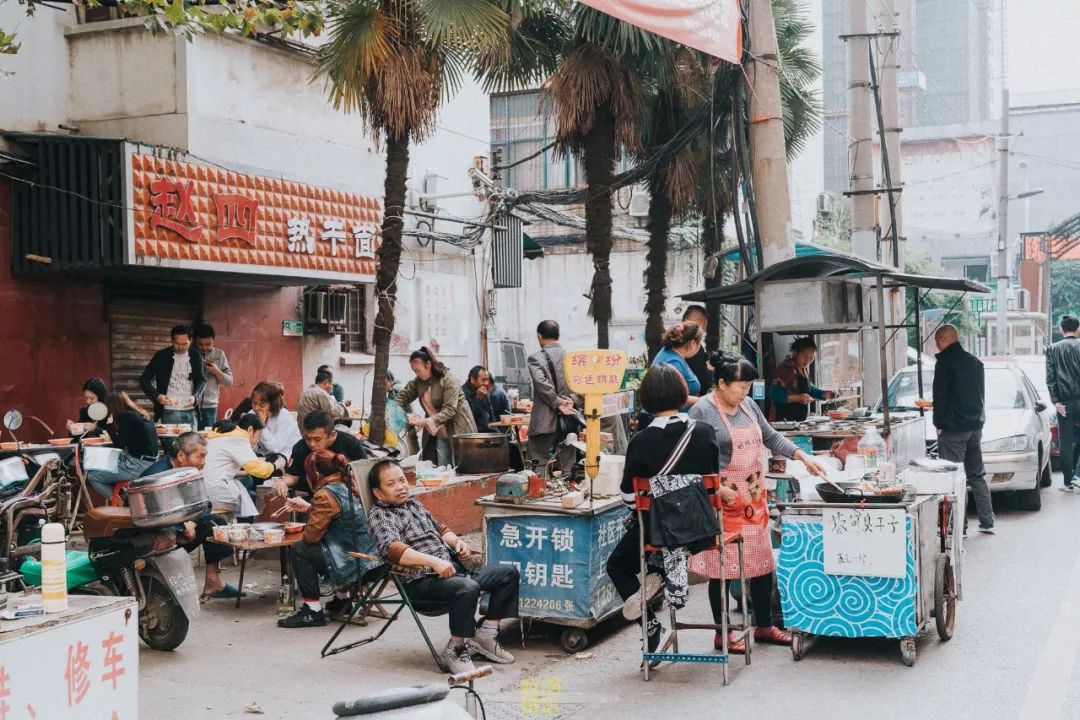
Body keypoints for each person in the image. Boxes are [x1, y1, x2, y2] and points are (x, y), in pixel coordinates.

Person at [689, 353, 829, 652]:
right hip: (722, 499)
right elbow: (690, 457)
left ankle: (765, 626)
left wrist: (801, 457)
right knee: (722, 568)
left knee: (762, 562)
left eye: (750, 385)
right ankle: (721, 633)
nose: (746, 392)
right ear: (722, 383)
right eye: (741, 385)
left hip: (753, 496)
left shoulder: (749, 406)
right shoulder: (702, 411)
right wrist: (712, 486)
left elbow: (770, 436)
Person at [606, 364, 720, 659]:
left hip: (658, 534)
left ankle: (651, 623)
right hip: (700, 533)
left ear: (645, 400)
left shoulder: (640, 441)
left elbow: (628, 498)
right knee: (660, 539)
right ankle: (656, 571)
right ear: (683, 394)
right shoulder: (705, 432)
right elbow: (712, 484)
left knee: (618, 564)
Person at [367, 459, 518, 673]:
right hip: (421, 583)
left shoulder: (414, 503)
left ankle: (485, 635)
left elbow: (439, 528)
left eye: (401, 480)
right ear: (379, 492)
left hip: (453, 571)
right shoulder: (380, 514)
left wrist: (457, 542)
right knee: (468, 588)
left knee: (507, 573)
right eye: (391, 484)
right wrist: (434, 562)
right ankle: (455, 650)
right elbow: (392, 549)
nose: (400, 487)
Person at [277, 451, 382, 628]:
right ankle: (342, 599)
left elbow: (311, 537)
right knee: (330, 543)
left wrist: (311, 515)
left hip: (358, 565)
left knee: (300, 549)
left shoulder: (325, 494)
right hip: (376, 561)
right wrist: (311, 508)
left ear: (316, 474)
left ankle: (312, 611)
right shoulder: (350, 486)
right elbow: (341, 519)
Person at [137, 432, 237, 599]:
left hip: (180, 531)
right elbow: (149, 516)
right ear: (181, 455)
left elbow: (205, 504)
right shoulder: (156, 476)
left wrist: (192, 522)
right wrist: (180, 528)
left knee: (216, 522)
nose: (203, 462)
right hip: (152, 536)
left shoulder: (189, 472)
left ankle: (213, 583)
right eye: (200, 456)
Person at [933, 324, 994, 532]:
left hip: (953, 430)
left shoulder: (944, 363)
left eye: (937, 342)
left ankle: (959, 525)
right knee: (977, 475)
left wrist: (939, 424)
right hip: (975, 427)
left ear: (942, 340)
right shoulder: (975, 363)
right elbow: (981, 395)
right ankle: (987, 520)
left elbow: (939, 397)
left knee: (953, 478)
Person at [396, 347, 476, 466]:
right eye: (414, 371)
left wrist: (427, 421)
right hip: (437, 431)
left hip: (458, 428)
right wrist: (397, 412)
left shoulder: (448, 379)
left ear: (428, 364)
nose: (416, 374)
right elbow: (402, 397)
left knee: (460, 466)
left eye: (418, 370)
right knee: (442, 467)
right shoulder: (419, 381)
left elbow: (450, 409)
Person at [203, 414, 284, 518]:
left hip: (207, 487)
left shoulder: (224, 435)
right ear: (250, 430)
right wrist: (277, 464)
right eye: (258, 435)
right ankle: (246, 528)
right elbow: (261, 471)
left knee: (247, 482)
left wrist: (247, 471)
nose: (258, 440)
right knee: (251, 495)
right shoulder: (239, 439)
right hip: (217, 492)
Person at [277, 411, 370, 498]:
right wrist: (282, 482)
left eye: (317, 439)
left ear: (332, 435)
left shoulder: (350, 443)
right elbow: (293, 476)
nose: (311, 444)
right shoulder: (300, 447)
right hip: (313, 497)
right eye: (308, 438)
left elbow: (363, 473)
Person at [86, 392, 160, 502]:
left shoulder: (126, 416)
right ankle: (122, 495)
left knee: (92, 476)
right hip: (150, 462)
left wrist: (109, 425)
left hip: (138, 465)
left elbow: (119, 444)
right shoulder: (138, 413)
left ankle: (116, 500)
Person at [526, 321, 576, 463]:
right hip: (570, 420)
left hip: (545, 422)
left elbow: (542, 384)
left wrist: (558, 402)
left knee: (539, 463)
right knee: (568, 465)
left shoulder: (535, 359)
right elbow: (581, 386)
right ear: (558, 335)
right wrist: (572, 401)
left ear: (539, 336)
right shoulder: (571, 358)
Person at [139, 324, 206, 425]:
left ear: (190, 341)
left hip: (190, 411)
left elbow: (201, 380)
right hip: (168, 410)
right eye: (177, 343)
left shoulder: (196, 356)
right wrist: (157, 396)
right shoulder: (161, 356)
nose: (180, 347)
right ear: (171, 340)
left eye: (184, 344)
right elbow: (144, 380)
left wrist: (195, 397)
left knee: (192, 440)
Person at [1046, 315, 1080, 490]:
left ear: (1061, 329)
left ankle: (1068, 482)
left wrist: (1056, 401)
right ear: (1078, 328)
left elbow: (1050, 379)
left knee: (1066, 442)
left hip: (1064, 402)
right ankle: (1078, 475)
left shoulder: (1052, 349)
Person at [767, 337, 836, 422]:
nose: (807, 361)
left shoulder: (802, 369)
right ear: (795, 352)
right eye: (804, 356)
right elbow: (774, 394)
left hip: (797, 421)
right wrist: (798, 398)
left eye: (811, 357)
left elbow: (809, 389)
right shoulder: (785, 369)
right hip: (783, 421)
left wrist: (824, 394)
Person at [651, 322, 704, 407]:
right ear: (693, 344)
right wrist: (704, 401)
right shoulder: (672, 362)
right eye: (699, 344)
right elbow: (673, 397)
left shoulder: (671, 353)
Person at [193, 323, 234, 430]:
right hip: (190, 405)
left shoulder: (219, 355)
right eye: (200, 344)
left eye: (208, 344)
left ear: (213, 341)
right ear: (195, 341)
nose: (204, 348)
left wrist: (216, 371)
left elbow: (229, 381)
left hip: (210, 407)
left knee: (208, 439)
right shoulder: (189, 354)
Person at [251, 381, 302, 457]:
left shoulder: (284, 417)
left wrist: (261, 425)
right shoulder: (252, 413)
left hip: (287, 457)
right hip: (264, 457)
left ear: (272, 405)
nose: (256, 408)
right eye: (254, 403)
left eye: (262, 405)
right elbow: (250, 446)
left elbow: (275, 448)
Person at [682, 305, 713, 394]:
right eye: (704, 327)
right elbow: (701, 376)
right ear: (699, 322)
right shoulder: (690, 345)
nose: (704, 330)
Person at [462, 366, 496, 432]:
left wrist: (495, 431)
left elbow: (491, 415)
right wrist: (478, 399)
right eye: (483, 380)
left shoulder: (483, 391)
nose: (486, 383)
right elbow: (468, 419)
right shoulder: (462, 393)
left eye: (487, 380)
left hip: (487, 432)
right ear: (472, 379)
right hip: (471, 434)